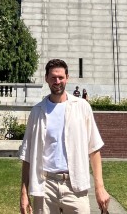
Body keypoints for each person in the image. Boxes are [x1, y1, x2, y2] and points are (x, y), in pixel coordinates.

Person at [20, 58, 110, 214]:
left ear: (67, 78)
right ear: (46, 78)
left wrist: (100, 188)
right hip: (45, 185)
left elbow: (94, 149)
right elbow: (27, 156)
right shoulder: (36, 112)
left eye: (61, 77)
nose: (57, 81)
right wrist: (23, 193)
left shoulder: (82, 107)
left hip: (75, 185)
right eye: (53, 77)